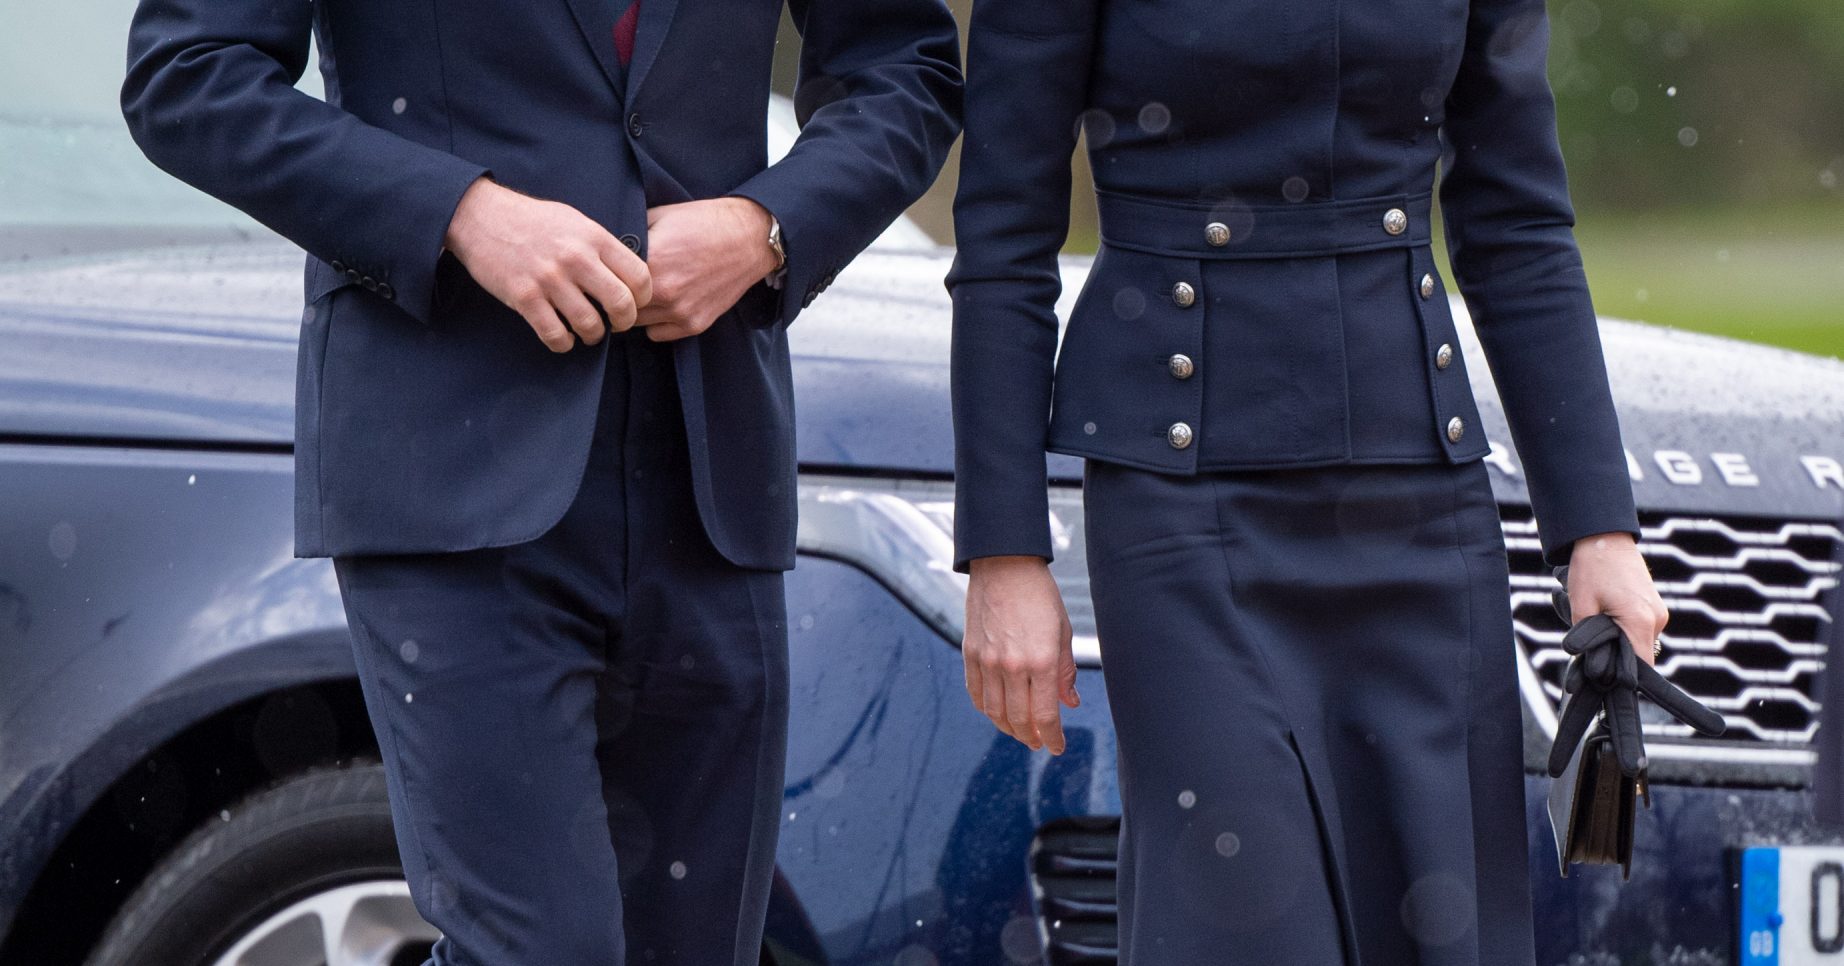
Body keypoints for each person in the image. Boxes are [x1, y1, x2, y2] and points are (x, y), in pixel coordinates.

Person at [120, 0, 960, 961]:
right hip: (449, 481)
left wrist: (763, 227)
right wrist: (460, 214)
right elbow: (188, 76)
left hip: (711, 478)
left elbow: (906, 67)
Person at [947, 0, 1667, 962]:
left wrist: (1596, 528)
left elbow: (1519, 222)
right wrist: (1003, 549)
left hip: (1418, 499)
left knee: (1443, 932)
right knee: (1239, 921)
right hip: (1180, 509)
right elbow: (1003, 238)